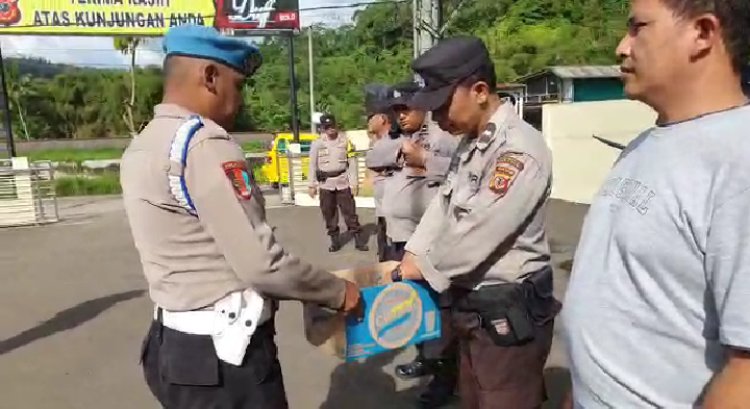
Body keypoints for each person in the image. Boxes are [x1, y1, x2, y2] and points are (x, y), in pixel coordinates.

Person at [120, 24, 362, 409]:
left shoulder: (143, 143)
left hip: (172, 346)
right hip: (225, 359)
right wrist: (338, 292)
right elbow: (263, 265)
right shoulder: (205, 144)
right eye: (239, 85)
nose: (241, 99)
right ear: (210, 77)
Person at [561, 0, 750, 407]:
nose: (621, 47)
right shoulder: (646, 143)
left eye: (638, 27)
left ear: (702, 33)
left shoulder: (740, 160)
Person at [394, 36, 561, 409]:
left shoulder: (518, 149)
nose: (436, 117)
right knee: (473, 397)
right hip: (472, 306)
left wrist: (421, 267)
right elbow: (444, 206)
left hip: (507, 311)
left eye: (442, 105)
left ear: (480, 90)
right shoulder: (471, 144)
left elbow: (480, 229)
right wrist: (413, 252)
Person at [380, 82, 460, 408]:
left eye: (406, 109)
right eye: (396, 111)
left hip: (428, 244)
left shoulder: (441, 137)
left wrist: (424, 158)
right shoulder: (401, 139)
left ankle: (444, 378)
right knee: (415, 308)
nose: (401, 116)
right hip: (402, 239)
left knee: (440, 313)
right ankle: (426, 360)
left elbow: (462, 175)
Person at [308, 113, 369, 253]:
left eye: (332, 126)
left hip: (343, 182)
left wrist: (354, 183)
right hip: (325, 184)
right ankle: (335, 240)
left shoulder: (346, 142)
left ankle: (358, 240)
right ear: (323, 128)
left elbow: (352, 163)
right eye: (327, 127)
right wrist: (311, 185)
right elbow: (312, 165)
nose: (330, 129)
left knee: (350, 213)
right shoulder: (317, 144)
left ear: (336, 125)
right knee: (329, 213)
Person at [365, 111, 401, 262]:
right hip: (381, 200)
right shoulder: (375, 142)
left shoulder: (395, 140)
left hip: (394, 199)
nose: (369, 122)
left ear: (383, 119)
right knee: (383, 231)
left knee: (394, 240)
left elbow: (372, 161)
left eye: (372, 118)